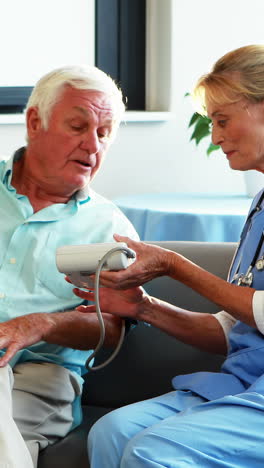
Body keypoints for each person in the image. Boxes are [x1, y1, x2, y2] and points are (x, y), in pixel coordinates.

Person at [75, 44, 264, 468]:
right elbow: (235, 330)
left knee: (153, 451)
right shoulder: (259, 206)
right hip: (246, 384)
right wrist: (145, 307)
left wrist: (173, 264)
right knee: (110, 432)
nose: (214, 137)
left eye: (222, 120)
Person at [0, 65, 138, 467]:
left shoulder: (110, 230)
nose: (92, 145)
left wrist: (42, 324)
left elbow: (112, 331)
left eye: (104, 133)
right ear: (34, 122)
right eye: (78, 126)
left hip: (40, 377)